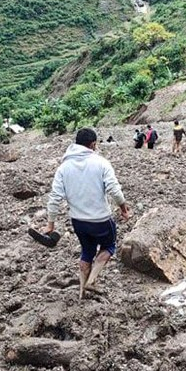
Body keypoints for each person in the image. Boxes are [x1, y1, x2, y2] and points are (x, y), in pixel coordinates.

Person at [45, 128, 131, 299]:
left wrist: (50, 224)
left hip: (78, 221)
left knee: (87, 252)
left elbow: (55, 198)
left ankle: (82, 293)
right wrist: (123, 209)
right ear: (93, 144)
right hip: (100, 219)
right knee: (108, 247)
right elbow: (114, 189)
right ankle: (92, 281)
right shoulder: (101, 163)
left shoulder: (63, 168)